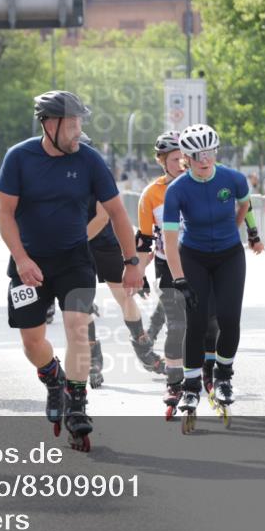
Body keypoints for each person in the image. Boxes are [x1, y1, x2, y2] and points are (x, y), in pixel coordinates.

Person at [0, 90, 140, 452]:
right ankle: (53, 378)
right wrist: (22, 258)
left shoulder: (90, 160)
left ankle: (76, 402)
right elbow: (5, 214)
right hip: (29, 263)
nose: (78, 130)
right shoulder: (19, 158)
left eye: (80, 123)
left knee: (78, 327)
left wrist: (132, 262)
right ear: (49, 124)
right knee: (32, 340)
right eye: (72, 124)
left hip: (75, 259)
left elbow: (119, 213)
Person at [162, 124, 264, 433]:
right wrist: (179, 279)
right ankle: (191, 384)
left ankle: (223, 377)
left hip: (229, 255)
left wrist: (250, 231)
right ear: (188, 158)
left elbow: (246, 202)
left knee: (229, 319)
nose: (205, 160)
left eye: (209, 154)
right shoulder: (177, 190)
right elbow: (169, 239)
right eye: (197, 155)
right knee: (196, 321)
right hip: (193, 256)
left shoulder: (232, 178)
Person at [136, 132, 222, 419]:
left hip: (201, 262)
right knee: (177, 326)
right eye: (174, 160)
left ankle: (207, 375)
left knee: (210, 324)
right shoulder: (151, 195)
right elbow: (144, 240)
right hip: (168, 267)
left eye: (183, 158)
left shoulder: (201, 184)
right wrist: (138, 272)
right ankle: (174, 383)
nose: (180, 163)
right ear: (162, 161)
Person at [81, 133, 163, 389]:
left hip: (103, 241)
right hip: (76, 246)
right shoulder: (57, 177)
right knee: (80, 302)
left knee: (124, 295)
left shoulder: (97, 173)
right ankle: (93, 357)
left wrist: (135, 263)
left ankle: (143, 346)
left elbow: (104, 216)